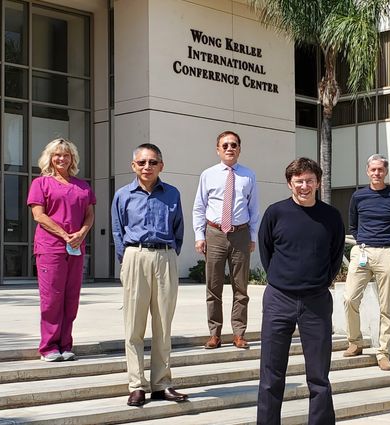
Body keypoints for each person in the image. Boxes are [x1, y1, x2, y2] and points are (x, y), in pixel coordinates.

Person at [257, 157, 344, 425]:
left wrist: (318, 281)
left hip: (316, 301)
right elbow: (266, 251)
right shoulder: (275, 213)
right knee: (271, 375)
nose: (304, 186)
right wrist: (282, 279)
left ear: (318, 183)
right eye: (298, 181)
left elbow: (336, 255)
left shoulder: (331, 216)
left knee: (319, 376)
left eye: (309, 181)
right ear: (289, 183)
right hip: (278, 299)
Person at [111, 143, 187, 407]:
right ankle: (137, 385)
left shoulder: (173, 193)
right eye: (142, 162)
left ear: (161, 166)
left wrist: (169, 253)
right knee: (134, 325)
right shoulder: (123, 195)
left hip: (165, 256)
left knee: (163, 325)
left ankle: (162, 383)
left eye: (152, 162)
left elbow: (179, 229)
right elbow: (117, 230)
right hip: (135, 256)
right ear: (134, 166)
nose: (147, 167)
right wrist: (127, 259)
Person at [27, 138, 95, 363]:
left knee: (70, 298)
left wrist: (81, 233)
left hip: (75, 247)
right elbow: (39, 215)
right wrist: (65, 235)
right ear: (50, 158)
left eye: (66, 155)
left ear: (72, 158)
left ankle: (66, 345)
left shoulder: (83, 186)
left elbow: (89, 215)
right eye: (57, 155)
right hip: (50, 248)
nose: (61, 159)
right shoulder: (41, 184)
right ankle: (48, 347)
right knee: (51, 298)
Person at [193, 130, 260, 350]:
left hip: (240, 234)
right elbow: (199, 207)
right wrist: (199, 236)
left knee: (240, 287)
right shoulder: (208, 174)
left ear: (239, 148)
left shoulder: (248, 175)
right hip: (214, 234)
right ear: (218, 149)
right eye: (225, 145)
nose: (229, 148)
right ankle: (215, 334)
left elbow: (254, 209)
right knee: (213, 287)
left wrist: (252, 237)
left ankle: (239, 334)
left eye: (234, 145)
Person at [342, 154, 390, 371]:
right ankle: (355, 342)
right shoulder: (358, 196)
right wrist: (362, 242)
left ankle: (383, 352)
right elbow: (353, 224)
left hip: (387, 253)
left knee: (386, 306)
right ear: (367, 171)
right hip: (362, 251)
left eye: (380, 169)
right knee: (350, 298)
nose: (377, 173)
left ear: (385, 172)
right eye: (373, 169)